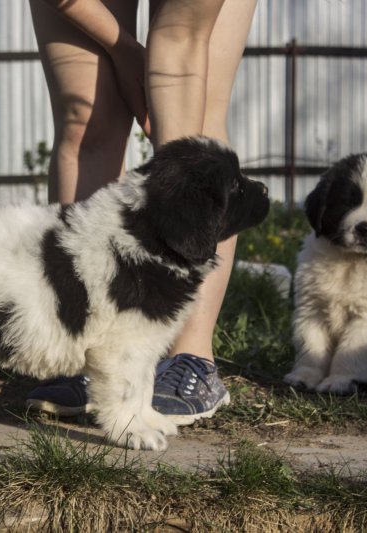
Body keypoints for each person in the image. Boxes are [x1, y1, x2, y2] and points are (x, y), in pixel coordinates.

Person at [25, 0, 258, 425]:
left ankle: (190, 355)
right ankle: (80, 342)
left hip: (186, 25)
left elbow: (180, 39)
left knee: (197, 117)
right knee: (85, 118)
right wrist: (126, 51)